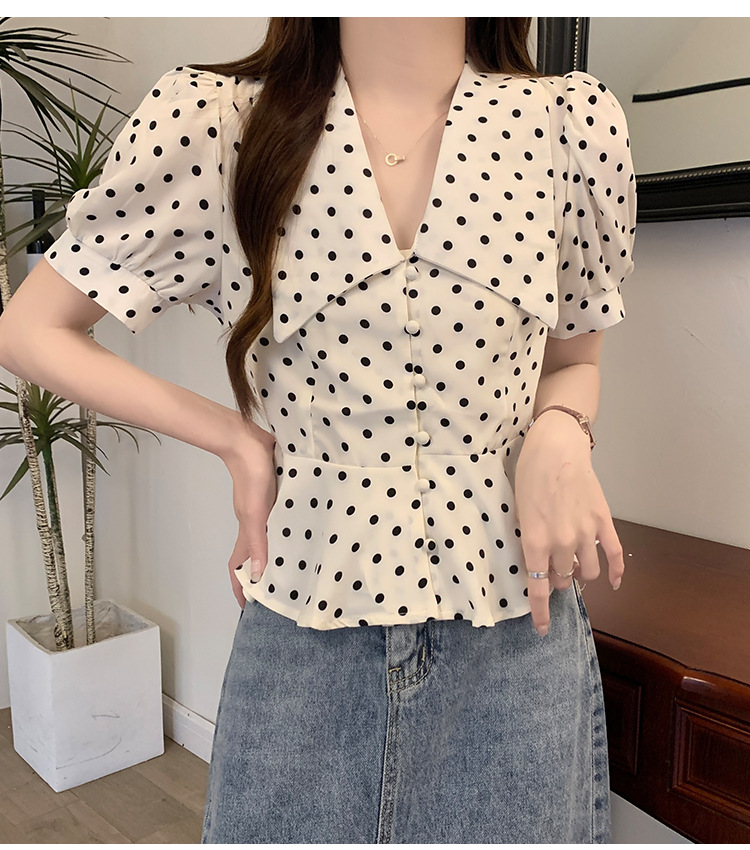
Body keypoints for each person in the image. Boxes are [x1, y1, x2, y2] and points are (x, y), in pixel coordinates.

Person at [0, 17, 636, 844]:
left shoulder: (568, 126)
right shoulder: (217, 121)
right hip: (306, 632)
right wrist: (234, 439)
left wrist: (561, 429)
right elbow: (31, 329)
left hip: (518, 631)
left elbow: (575, 360)